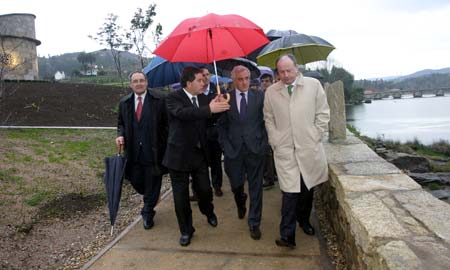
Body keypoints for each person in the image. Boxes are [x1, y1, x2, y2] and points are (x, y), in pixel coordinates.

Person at [263, 54, 330, 249]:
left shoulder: (313, 85)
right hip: (285, 150)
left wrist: (315, 134)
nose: (285, 75)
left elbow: (323, 113)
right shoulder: (271, 92)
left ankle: (304, 221)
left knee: (307, 189)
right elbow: (268, 117)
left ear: (297, 68)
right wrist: (274, 139)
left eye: (288, 70)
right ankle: (287, 236)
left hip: (308, 148)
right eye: (281, 72)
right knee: (289, 193)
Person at [163, 66, 230, 247]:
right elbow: (182, 114)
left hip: (199, 154)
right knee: (181, 197)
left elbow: (210, 119)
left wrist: (219, 106)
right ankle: (186, 230)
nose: (204, 83)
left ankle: (209, 212)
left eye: (204, 79)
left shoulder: (203, 98)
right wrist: (209, 108)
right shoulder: (173, 97)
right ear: (188, 82)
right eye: (200, 80)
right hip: (178, 157)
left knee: (205, 190)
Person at [217, 65, 268, 240]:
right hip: (233, 152)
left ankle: (254, 222)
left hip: (256, 150)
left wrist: (263, 143)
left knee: (256, 187)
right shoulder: (224, 99)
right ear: (233, 80)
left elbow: (266, 122)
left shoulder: (260, 96)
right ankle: (240, 201)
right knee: (236, 185)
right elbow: (221, 126)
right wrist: (225, 146)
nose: (245, 82)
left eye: (247, 78)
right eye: (240, 79)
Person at [115, 71, 168, 230]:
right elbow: (121, 124)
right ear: (131, 84)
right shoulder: (124, 103)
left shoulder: (159, 100)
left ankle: (147, 211)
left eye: (141, 80)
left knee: (152, 181)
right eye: (135, 81)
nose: (138, 83)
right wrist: (120, 135)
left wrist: (163, 143)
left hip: (153, 151)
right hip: (133, 152)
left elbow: (167, 124)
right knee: (137, 181)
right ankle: (151, 196)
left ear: (146, 82)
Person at [200, 67, 224, 197]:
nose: (205, 77)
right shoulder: (195, 93)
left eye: (207, 74)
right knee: (200, 162)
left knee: (215, 161)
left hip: (215, 131)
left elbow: (226, 109)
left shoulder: (218, 91)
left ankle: (217, 186)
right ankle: (200, 189)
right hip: (200, 131)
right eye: (202, 75)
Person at [259, 73, 276, 190]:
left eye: (267, 81)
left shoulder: (274, 95)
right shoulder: (260, 95)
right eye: (263, 81)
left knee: (269, 155)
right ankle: (271, 176)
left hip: (273, 128)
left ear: (272, 82)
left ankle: (270, 178)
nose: (264, 83)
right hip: (263, 128)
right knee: (268, 154)